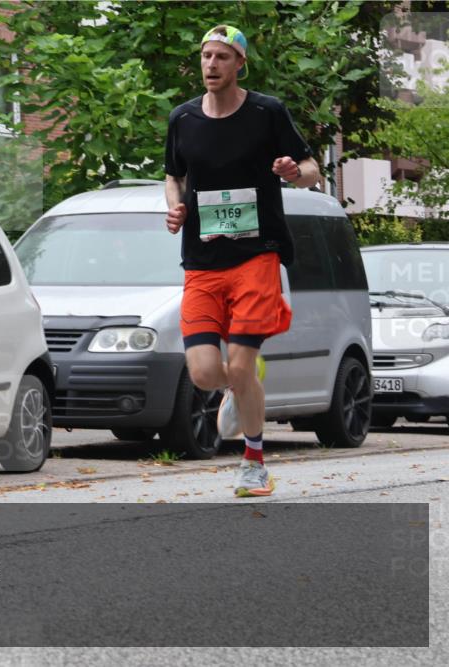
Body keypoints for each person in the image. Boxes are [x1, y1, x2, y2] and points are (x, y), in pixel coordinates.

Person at [164, 25, 320, 497]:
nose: (211, 65)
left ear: (240, 65)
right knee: (206, 373)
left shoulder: (266, 112)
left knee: (240, 363)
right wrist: (175, 205)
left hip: (257, 255)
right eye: (206, 56)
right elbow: (174, 175)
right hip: (202, 261)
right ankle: (238, 384)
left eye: (222, 57)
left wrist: (294, 172)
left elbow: (312, 171)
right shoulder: (183, 119)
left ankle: (254, 463)